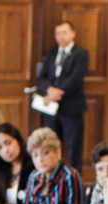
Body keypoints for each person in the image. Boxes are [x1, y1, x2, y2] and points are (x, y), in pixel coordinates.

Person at [15, 127, 84, 204]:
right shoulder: (34, 176)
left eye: (46, 153)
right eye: (35, 155)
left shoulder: (70, 176)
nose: (40, 159)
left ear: (58, 152)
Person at [36, 21, 89, 172]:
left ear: (73, 33)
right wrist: (48, 90)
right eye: (58, 33)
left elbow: (76, 78)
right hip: (51, 110)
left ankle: (74, 179)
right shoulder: (51, 54)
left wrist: (56, 93)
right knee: (50, 145)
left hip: (71, 107)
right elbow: (42, 77)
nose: (61, 36)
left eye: (64, 32)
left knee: (74, 147)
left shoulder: (81, 54)